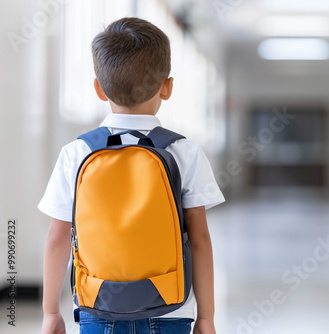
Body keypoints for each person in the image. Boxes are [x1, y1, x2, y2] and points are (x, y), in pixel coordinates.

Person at [39, 17, 224, 334]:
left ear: (99, 88)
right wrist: (206, 317)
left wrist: (49, 312)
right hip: (171, 307)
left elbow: (58, 236)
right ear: (167, 87)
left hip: (97, 304)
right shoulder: (185, 151)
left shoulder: (76, 153)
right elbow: (200, 239)